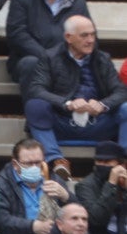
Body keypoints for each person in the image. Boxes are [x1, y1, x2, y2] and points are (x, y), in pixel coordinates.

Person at [23, 14, 127, 169]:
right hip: (63, 122)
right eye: (84, 35)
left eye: (93, 35)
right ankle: (56, 160)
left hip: (97, 123)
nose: (91, 40)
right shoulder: (50, 57)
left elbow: (120, 91)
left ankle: (123, 162)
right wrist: (67, 103)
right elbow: (36, 89)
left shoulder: (102, 58)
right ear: (68, 37)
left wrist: (103, 105)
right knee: (35, 106)